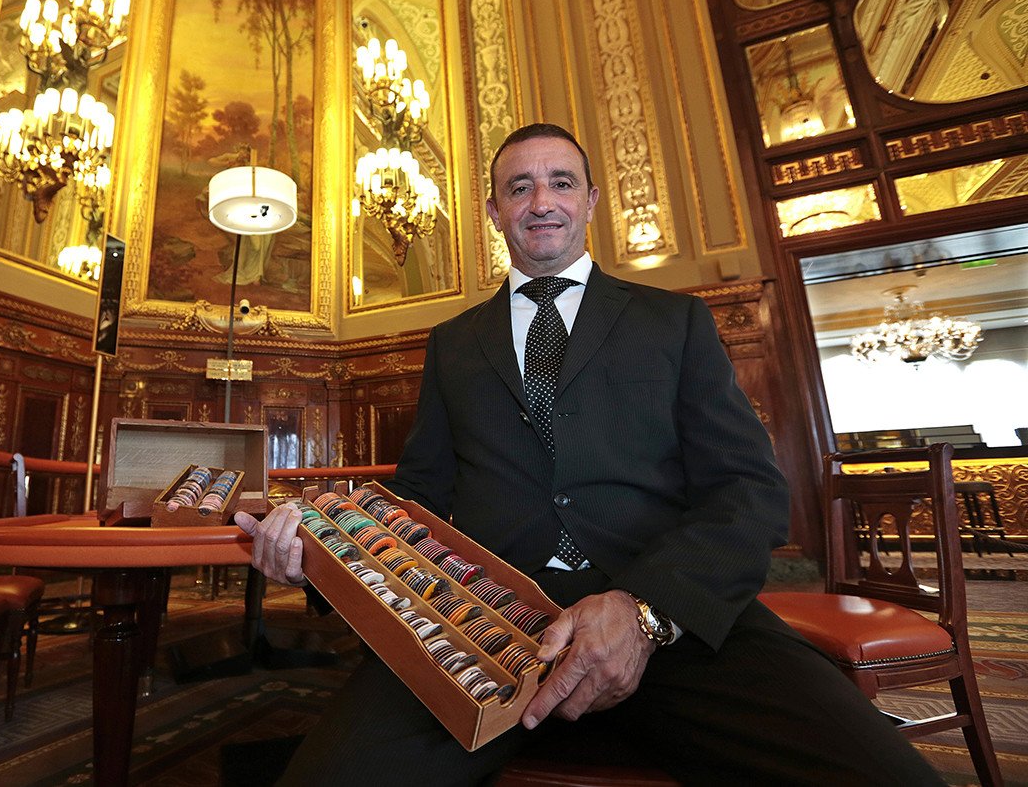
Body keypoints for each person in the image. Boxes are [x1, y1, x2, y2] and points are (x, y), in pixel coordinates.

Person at [235, 123, 944, 786]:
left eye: (561, 182)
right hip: (482, 628)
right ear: (495, 212)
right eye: (520, 187)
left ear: (592, 200)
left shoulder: (674, 321)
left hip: (671, 619)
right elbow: (418, 497)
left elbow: (747, 490)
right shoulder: (454, 343)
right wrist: (322, 553)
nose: (542, 201)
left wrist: (644, 610)